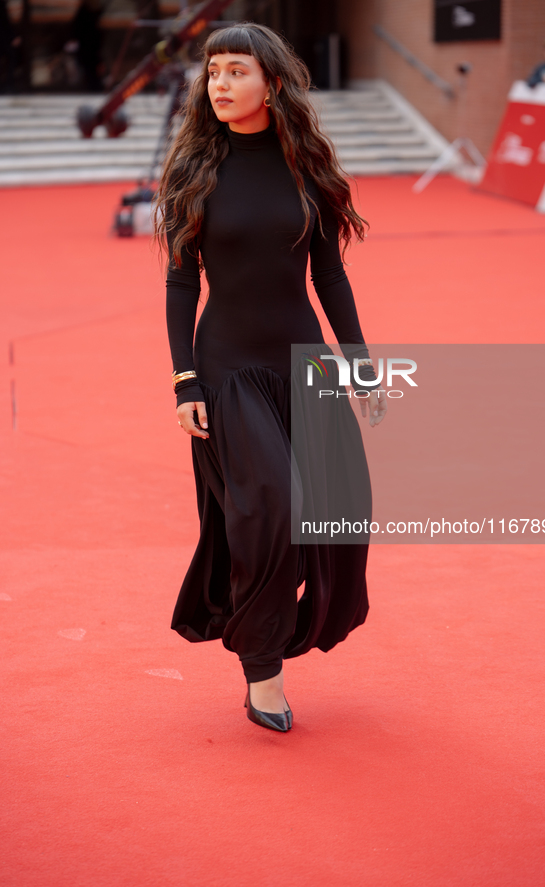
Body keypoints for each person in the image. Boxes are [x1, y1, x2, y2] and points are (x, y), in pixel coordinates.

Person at [155, 23, 386, 733]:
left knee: (337, 514)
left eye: (235, 71)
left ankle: (279, 627)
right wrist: (184, 381)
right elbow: (178, 286)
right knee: (268, 513)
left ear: (272, 83)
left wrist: (359, 362)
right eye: (213, 72)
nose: (219, 84)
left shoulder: (306, 168)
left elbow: (330, 276)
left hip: (304, 364)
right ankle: (263, 675)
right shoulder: (194, 169)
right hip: (226, 368)